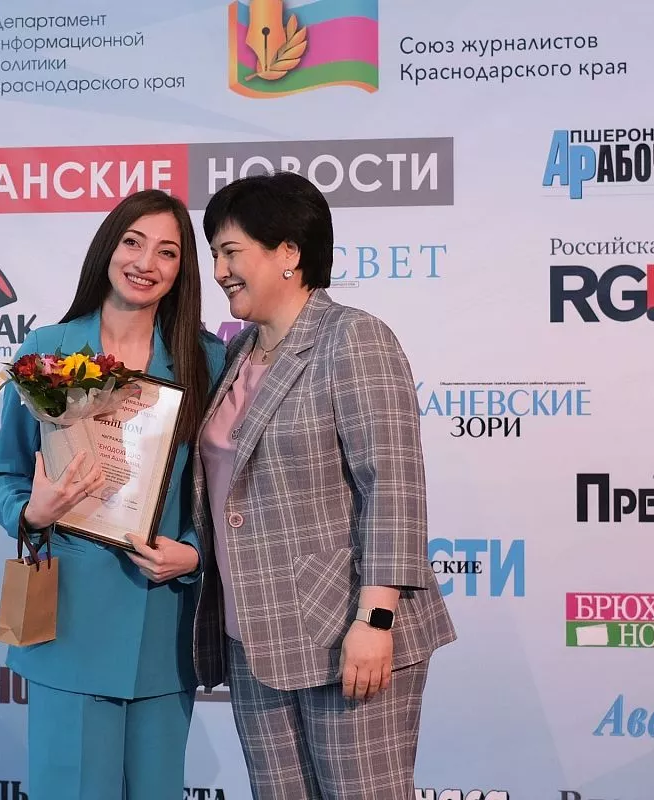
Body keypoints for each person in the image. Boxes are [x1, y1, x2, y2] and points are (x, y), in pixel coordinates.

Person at [191, 171, 457, 799]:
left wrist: (376, 619)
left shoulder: (353, 338)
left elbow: (392, 487)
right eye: (215, 255)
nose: (220, 271)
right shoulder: (238, 353)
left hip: (343, 631)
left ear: (288, 252)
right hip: (254, 637)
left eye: (231, 252)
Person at [0, 189, 227, 800]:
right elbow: (3, 477)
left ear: (182, 270)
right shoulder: (47, 350)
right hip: (67, 621)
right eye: (133, 242)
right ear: (107, 249)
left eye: (167, 251)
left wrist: (195, 552)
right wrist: (32, 512)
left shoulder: (208, 360)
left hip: (164, 623)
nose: (146, 262)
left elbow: (234, 494)